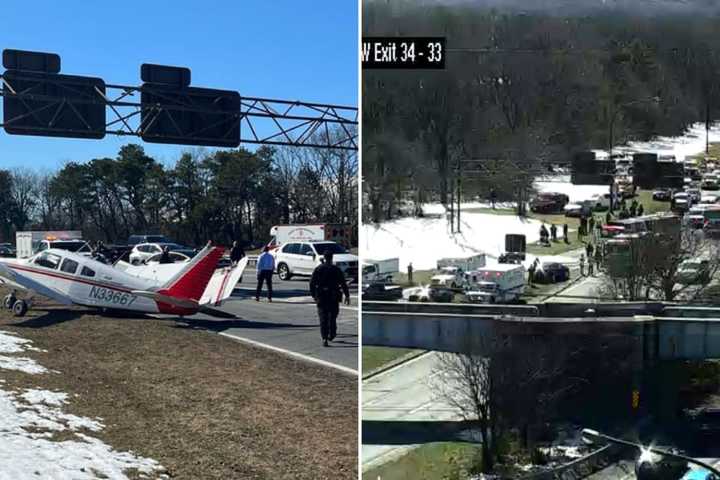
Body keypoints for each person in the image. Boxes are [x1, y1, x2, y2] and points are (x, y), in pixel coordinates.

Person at [310, 251, 350, 347]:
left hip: (321, 295)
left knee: (323, 317)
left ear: (324, 257)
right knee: (332, 316)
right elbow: (343, 283)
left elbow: (312, 283)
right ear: (332, 258)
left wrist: (314, 295)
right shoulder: (336, 269)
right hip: (333, 295)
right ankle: (332, 334)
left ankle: (324, 338)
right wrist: (347, 296)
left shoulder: (318, 269)